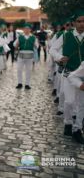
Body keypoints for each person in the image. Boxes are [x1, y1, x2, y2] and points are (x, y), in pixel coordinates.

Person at [50, 10, 84, 143]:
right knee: (69, 101)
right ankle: (68, 122)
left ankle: (77, 129)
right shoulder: (65, 36)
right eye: (79, 21)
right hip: (68, 72)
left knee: (82, 104)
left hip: (83, 75)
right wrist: (59, 57)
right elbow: (52, 49)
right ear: (74, 23)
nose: (82, 24)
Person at [14, 23, 38, 89]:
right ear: (23, 29)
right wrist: (16, 45)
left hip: (30, 55)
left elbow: (37, 46)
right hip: (21, 54)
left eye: (28, 28)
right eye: (25, 28)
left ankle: (27, 84)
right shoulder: (20, 36)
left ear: (30, 30)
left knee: (29, 70)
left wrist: (34, 44)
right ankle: (19, 83)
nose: (26, 30)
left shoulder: (33, 37)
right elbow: (15, 45)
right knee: (19, 69)